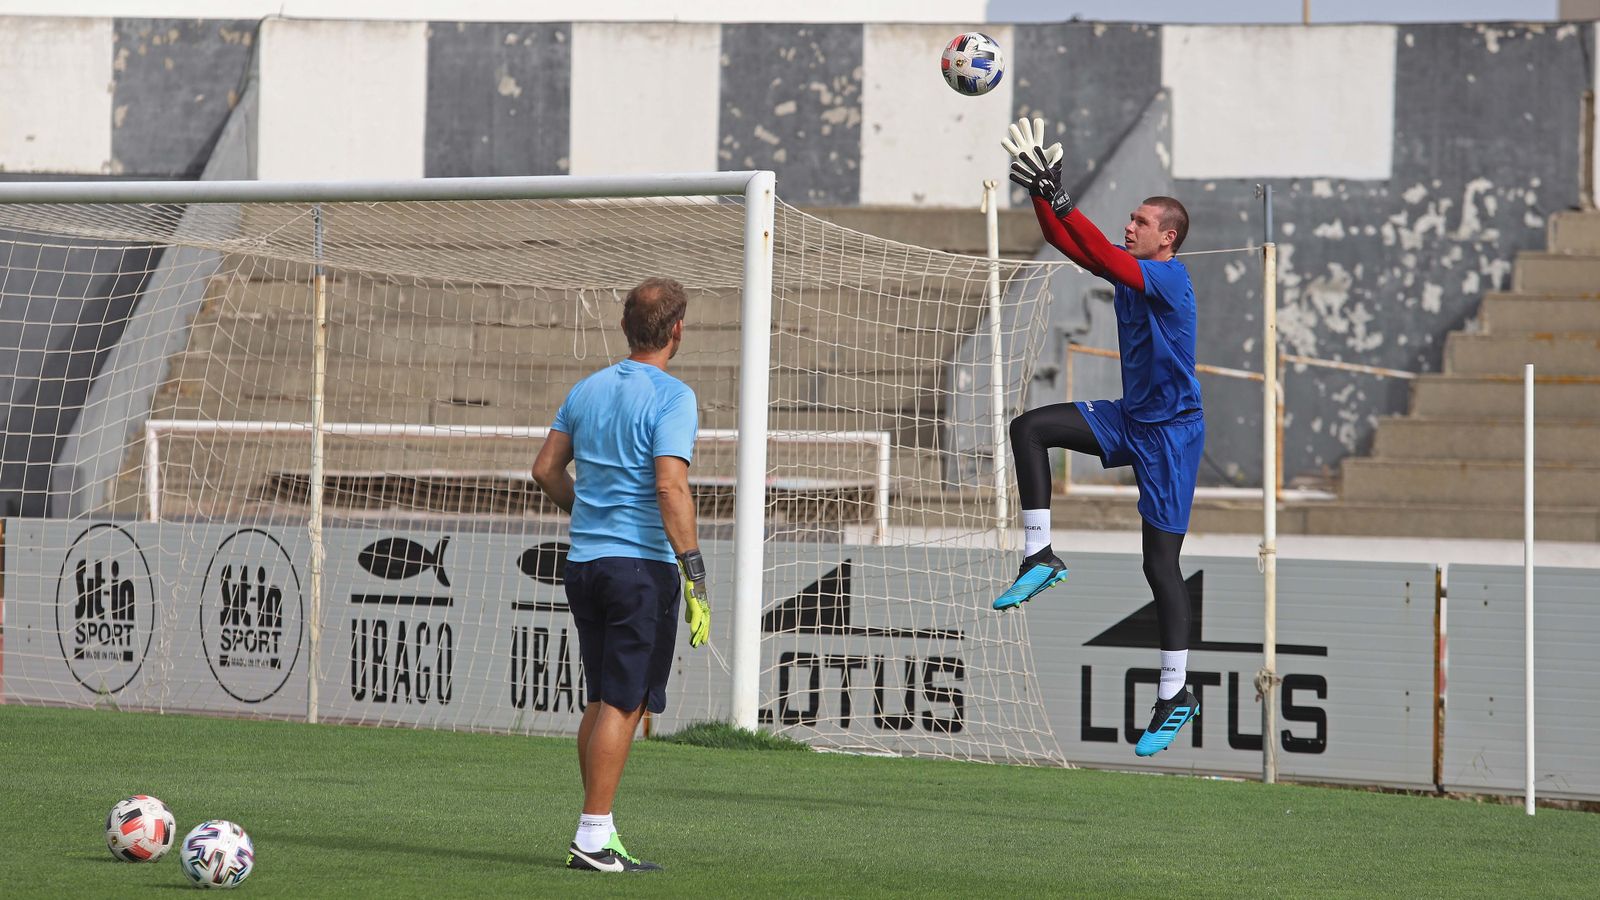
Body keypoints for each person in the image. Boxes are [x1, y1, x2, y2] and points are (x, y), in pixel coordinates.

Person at [994, 118, 1205, 758]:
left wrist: (1065, 201)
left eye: (1142, 221)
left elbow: (1106, 255)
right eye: (1132, 219)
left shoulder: (1169, 276)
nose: (1130, 226)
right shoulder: (1131, 270)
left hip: (1170, 436)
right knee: (1029, 427)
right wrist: (1041, 192)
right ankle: (1040, 555)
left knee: (1158, 566)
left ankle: (1176, 692)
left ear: (1166, 238)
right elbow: (1073, 246)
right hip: (1130, 416)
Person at [531, 275, 711, 872]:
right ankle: (591, 838)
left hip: (584, 564)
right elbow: (669, 485)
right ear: (677, 329)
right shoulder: (673, 396)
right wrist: (695, 572)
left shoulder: (586, 389)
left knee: (603, 698)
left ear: (626, 327)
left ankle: (597, 828)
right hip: (639, 568)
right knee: (625, 703)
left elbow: (546, 470)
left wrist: (586, 512)